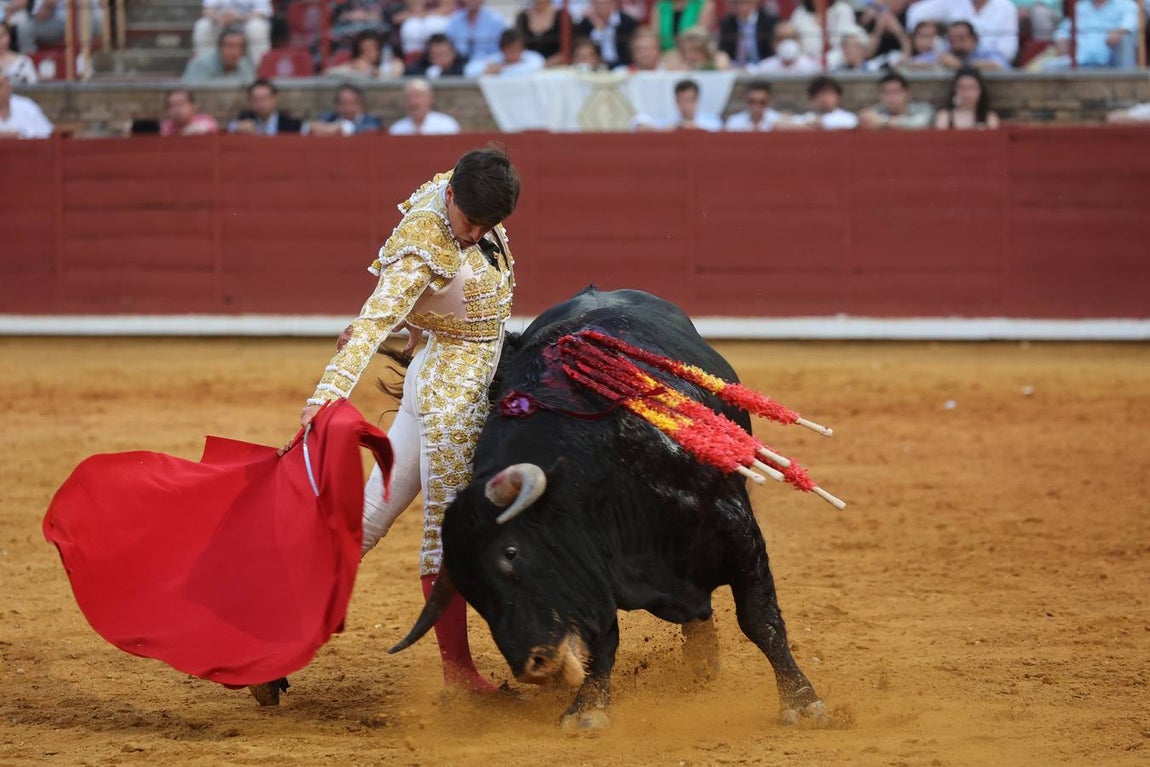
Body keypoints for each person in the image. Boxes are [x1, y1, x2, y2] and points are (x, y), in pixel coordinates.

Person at [295, 147, 520, 695]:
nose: (476, 234)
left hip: (443, 375)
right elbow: (374, 321)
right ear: (451, 197)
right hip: (449, 403)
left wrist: (414, 325)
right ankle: (458, 672)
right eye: (470, 222)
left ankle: (269, 625)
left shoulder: (463, 188)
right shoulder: (422, 245)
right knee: (448, 536)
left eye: (488, 224)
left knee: (368, 517)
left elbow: (431, 299)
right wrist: (327, 396)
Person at [1043, 0, 1137, 70]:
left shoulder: (1126, 5)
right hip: (1081, 60)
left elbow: (1131, 24)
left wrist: (1119, 31)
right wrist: (1061, 38)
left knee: (1125, 38)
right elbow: (1063, 30)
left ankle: (1127, 85)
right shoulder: (1081, 7)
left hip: (1111, 61)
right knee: (1049, 68)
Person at [192, 1, 271, 68]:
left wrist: (237, 18)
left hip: (246, 23)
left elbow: (262, 12)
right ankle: (205, 68)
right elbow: (207, 9)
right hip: (221, 23)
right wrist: (217, 18)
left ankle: (260, 71)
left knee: (256, 26)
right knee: (203, 25)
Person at [633, 78, 722, 131]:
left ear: (697, 100)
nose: (686, 105)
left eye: (690, 100)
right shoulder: (669, 123)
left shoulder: (712, 121)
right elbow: (639, 123)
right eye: (682, 100)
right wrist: (674, 128)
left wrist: (696, 129)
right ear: (676, 101)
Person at [16, 0, 101, 54]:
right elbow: (38, 14)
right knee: (25, 28)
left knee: (85, 11)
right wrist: (46, 5)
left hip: (88, 22)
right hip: (59, 24)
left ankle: (83, 60)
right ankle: (30, 66)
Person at [778, 74, 858, 130]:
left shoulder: (848, 118)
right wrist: (807, 127)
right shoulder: (807, 118)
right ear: (812, 99)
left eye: (829, 94)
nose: (824, 98)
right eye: (820, 94)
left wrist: (823, 125)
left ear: (838, 97)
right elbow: (780, 125)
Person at [858, 70, 934, 129]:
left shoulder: (923, 109)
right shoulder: (878, 109)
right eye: (886, 92)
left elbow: (920, 123)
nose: (891, 97)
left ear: (907, 94)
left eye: (895, 92)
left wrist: (883, 122)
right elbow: (866, 118)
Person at [575, 0, 638, 69]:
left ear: (614, 4)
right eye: (599, 4)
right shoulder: (585, 24)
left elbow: (631, 45)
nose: (603, 7)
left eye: (607, 3)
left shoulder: (627, 22)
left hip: (623, 64)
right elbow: (583, 46)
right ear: (593, 5)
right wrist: (598, 31)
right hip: (595, 65)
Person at [228, 78, 303, 134]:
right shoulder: (246, 117)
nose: (260, 103)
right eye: (256, 99)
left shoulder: (288, 122)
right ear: (250, 101)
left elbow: (304, 128)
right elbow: (229, 127)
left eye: (265, 99)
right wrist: (238, 127)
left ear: (274, 99)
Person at [182, 26, 256, 83]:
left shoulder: (245, 65)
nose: (234, 52)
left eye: (239, 47)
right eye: (230, 46)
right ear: (219, 48)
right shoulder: (200, 64)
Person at [933, 66, 1000, 128]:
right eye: (963, 88)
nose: (967, 93)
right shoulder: (944, 117)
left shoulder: (989, 118)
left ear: (980, 90)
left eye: (972, 88)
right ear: (955, 90)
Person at [389, 77, 461, 134]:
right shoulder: (397, 129)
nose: (413, 102)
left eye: (417, 96)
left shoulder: (446, 125)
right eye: (408, 97)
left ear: (430, 99)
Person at [718, 0, 778, 68]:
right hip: (735, 66)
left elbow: (772, 48)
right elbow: (723, 49)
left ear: (754, 3)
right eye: (738, 3)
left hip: (763, 64)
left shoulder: (769, 21)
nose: (742, 7)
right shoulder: (727, 23)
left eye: (746, 3)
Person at [463, 28, 546, 76]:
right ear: (502, 50)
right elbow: (469, 70)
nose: (515, 53)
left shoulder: (532, 59)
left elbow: (537, 64)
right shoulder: (495, 59)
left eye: (517, 49)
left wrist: (502, 69)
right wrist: (486, 71)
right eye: (511, 50)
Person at [307, 83, 383, 135]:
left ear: (360, 104)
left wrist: (341, 128)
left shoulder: (372, 121)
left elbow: (373, 130)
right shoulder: (329, 118)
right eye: (343, 103)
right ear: (336, 105)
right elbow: (309, 127)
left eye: (351, 103)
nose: (347, 108)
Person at [938, 20, 1009, 71]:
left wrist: (961, 65)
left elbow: (1000, 66)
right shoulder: (945, 53)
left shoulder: (987, 52)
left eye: (961, 38)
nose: (956, 43)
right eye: (951, 40)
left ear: (974, 39)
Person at [0, 69, 51, 137]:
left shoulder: (27, 106)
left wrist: (22, 135)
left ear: (9, 87)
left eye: (0, 86)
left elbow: (47, 133)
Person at [662, 24, 731, 70]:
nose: (690, 55)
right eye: (686, 50)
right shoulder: (675, 57)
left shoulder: (720, 58)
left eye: (695, 50)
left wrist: (698, 66)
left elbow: (722, 67)